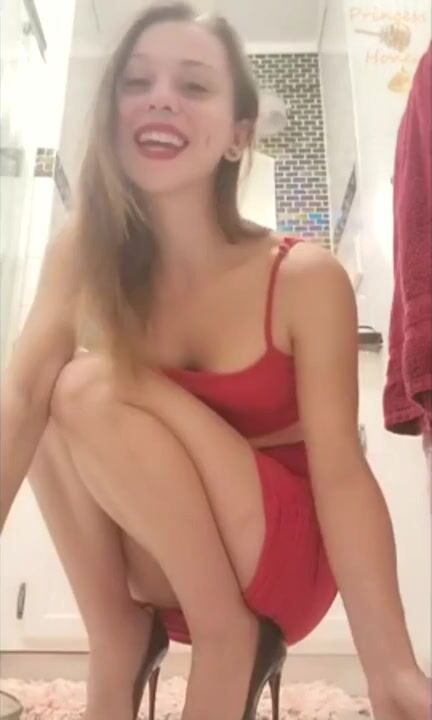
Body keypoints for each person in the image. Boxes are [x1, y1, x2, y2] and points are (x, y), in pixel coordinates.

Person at [0, 3, 430, 720]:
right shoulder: (83, 251)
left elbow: (342, 476)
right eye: (136, 82)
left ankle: (230, 640)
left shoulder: (303, 277)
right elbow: (16, 404)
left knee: (83, 384)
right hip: (160, 566)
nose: (160, 97)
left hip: (278, 562)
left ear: (238, 136)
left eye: (194, 85)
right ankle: (117, 636)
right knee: (46, 387)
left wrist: (391, 666)